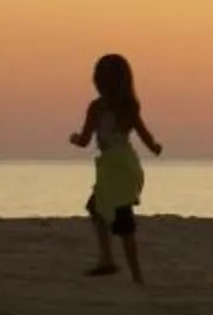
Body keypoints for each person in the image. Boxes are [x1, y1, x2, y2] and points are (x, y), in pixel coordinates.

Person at [68, 53, 163, 285]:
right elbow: (144, 133)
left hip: (112, 165)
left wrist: (74, 138)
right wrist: (154, 147)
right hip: (127, 163)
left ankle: (109, 260)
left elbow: (84, 140)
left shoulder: (97, 107)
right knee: (118, 214)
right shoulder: (129, 106)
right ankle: (131, 271)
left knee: (102, 209)